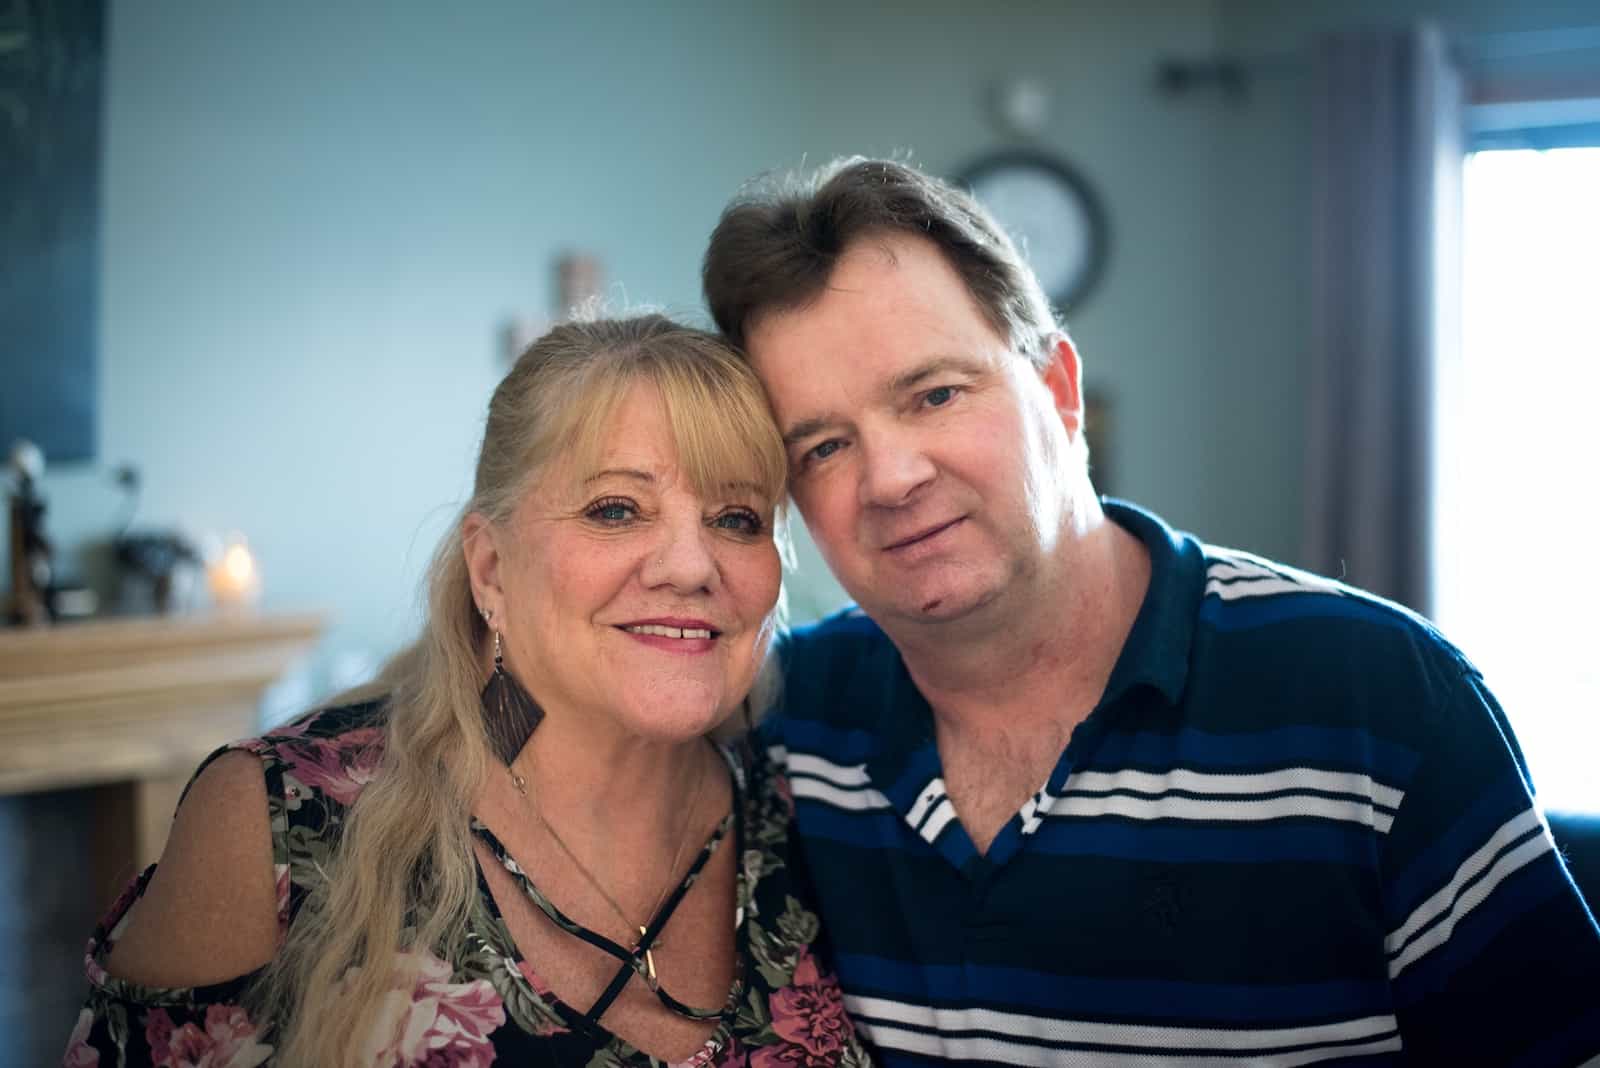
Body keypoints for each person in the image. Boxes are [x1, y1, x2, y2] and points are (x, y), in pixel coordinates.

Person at [701, 158, 1600, 1065]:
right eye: (822, 445)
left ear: (1059, 390)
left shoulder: (1383, 701)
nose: (891, 477)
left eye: (935, 394)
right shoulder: (784, 722)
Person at [65, 316, 874, 1067]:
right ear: (490, 570)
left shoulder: (811, 815)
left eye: (737, 518)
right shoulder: (280, 823)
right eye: (617, 509)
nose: (693, 567)